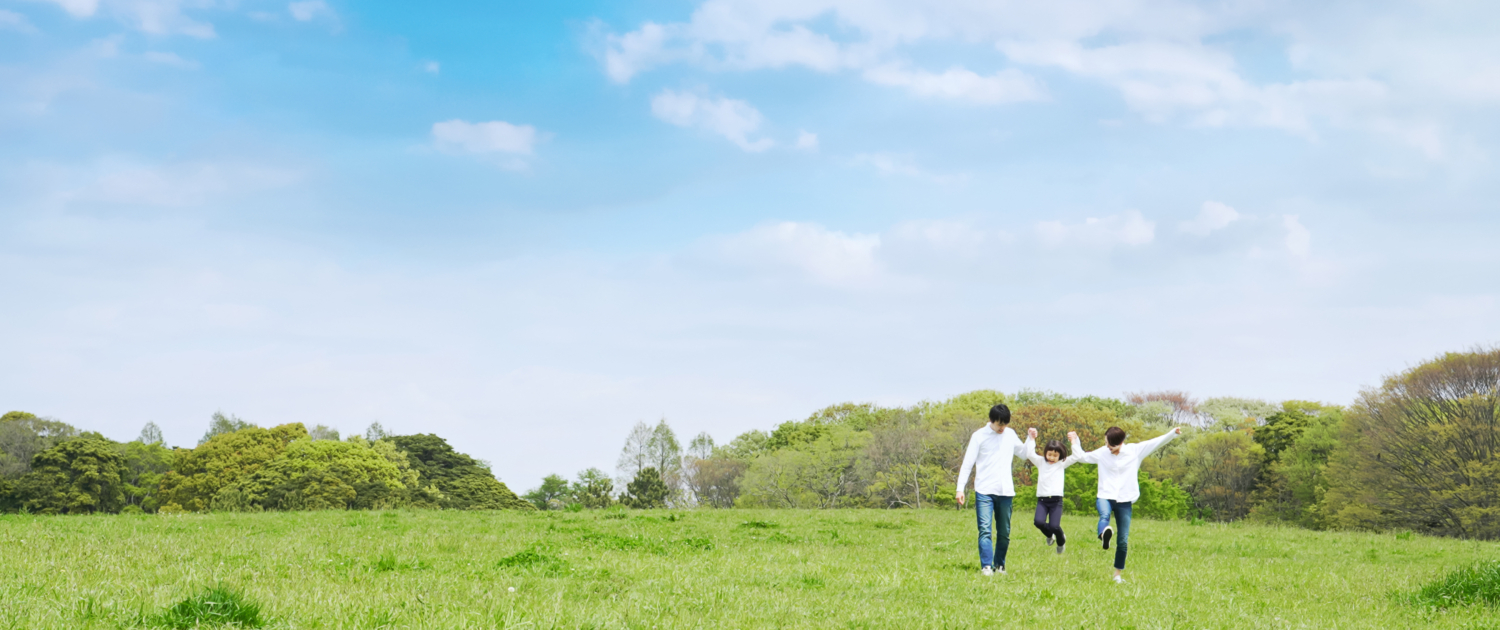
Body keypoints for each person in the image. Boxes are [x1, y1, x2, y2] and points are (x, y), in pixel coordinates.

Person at [1069, 425, 1183, 583]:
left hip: (1125, 500)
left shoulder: (1135, 451)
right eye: (1106, 443)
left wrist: (1172, 433)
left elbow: (1155, 442)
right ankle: (1103, 536)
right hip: (1105, 496)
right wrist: (1075, 441)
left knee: (1123, 540)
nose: (1108, 447)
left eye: (1111, 445)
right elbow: (1082, 457)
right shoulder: (1103, 452)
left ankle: (1117, 575)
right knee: (1104, 515)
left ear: (1121, 442)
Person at [955, 404, 1029, 576]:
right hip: (984, 490)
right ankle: (986, 566)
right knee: (985, 529)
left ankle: (1000, 565)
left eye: (1005, 424)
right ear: (991, 420)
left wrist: (1030, 439)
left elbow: (1024, 454)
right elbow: (967, 464)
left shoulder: (1010, 434)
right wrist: (960, 489)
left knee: (1004, 532)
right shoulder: (979, 436)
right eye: (999, 424)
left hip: (1005, 491)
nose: (1002, 428)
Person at [1023, 427, 1077, 555]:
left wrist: (1074, 441)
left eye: (1055, 455)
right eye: (1049, 454)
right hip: (1042, 500)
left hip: (1056, 501)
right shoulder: (1041, 462)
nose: (1052, 458)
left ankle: (1060, 540)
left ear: (1060, 456)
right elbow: (1030, 454)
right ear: (1045, 453)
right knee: (1038, 522)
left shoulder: (1062, 463)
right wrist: (1031, 438)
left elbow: (1077, 456)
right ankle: (1049, 535)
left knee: (1054, 526)